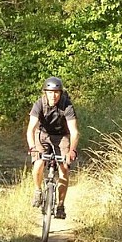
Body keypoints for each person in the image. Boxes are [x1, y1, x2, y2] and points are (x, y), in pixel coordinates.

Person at [26, 76, 79, 219]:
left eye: (56, 92)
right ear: (45, 93)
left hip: (62, 136)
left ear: (61, 93)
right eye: (50, 92)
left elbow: (74, 132)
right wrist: (32, 148)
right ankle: (38, 191)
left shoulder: (67, 106)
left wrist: (72, 151)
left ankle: (60, 205)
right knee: (38, 162)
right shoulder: (39, 104)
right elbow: (31, 129)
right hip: (43, 135)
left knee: (64, 169)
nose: (53, 95)